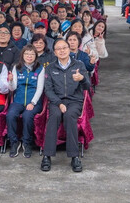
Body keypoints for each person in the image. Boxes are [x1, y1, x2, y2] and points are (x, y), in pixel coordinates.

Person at [41, 39, 90, 172]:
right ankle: (47, 155)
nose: (62, 51)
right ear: (55, 52)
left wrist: (82, 79)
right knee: (54, 116)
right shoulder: (50, 68)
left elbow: (88, 86)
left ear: (69, 49)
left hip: (74, 101)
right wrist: (59, 103)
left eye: (64, 48)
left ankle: (74, 157)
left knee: (69, 116)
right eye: (58, 49)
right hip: (56, 101)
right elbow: (48, 90)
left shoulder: (79, 65)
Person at [7, 44, 45, 158]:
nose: (29, 56)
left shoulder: (40, 68)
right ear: (22, 55)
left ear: (36, 56)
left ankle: (27, 142)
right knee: (10, 115)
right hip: (18, 101)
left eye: (32, 54)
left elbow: (40, 88)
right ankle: (14, 142)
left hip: (34, 102)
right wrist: (11, 81)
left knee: (27, 116)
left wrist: (32, 103)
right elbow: (12, 88)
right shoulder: (17, 67)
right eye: (27, 54)